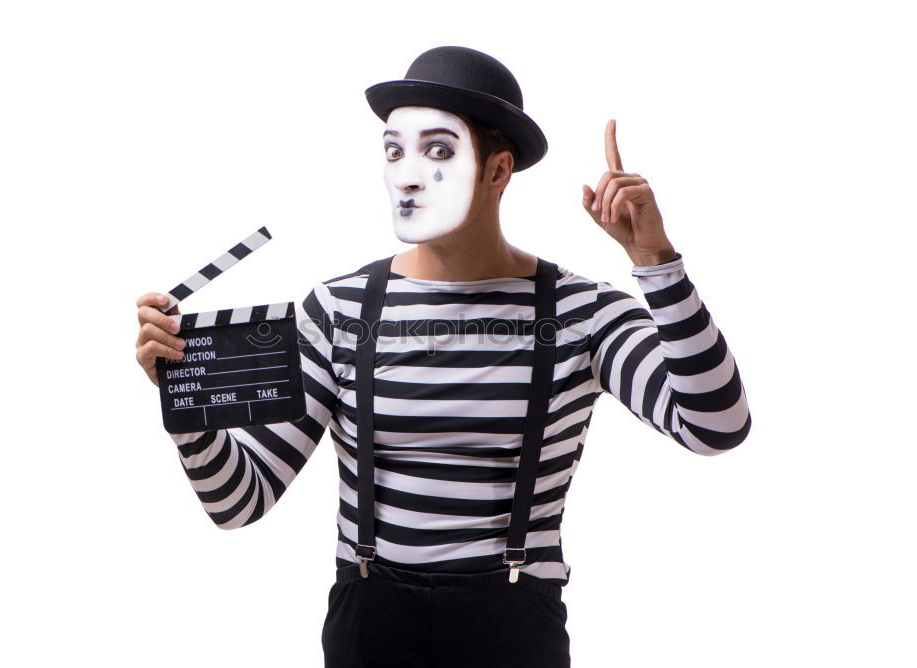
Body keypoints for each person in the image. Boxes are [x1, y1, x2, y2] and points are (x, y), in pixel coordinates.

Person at [134, 45, 752, 668]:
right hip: (371, 628)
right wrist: (187, 401)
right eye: (393, 149)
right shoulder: (339, 309)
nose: (405, 174)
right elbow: (240, 502)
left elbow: (716, 426)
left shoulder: (582, 311)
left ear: (497, 170)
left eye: (437, 150)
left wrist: (656, 262)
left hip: (513, 632)